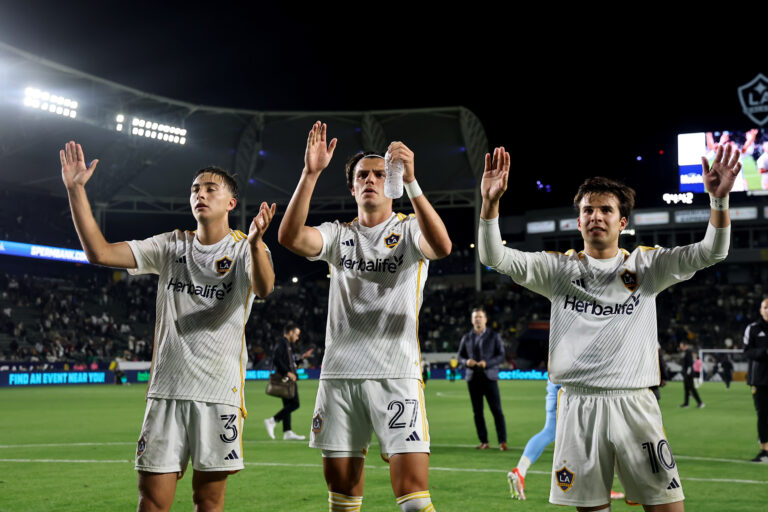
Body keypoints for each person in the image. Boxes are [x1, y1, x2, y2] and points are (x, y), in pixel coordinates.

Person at [478, 143, 740, 511]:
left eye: (605, 209)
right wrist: (490, 204)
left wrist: (719, 202)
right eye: (588, 209)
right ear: (578, 220)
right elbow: (493, 256)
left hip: (634, 403)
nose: (596, 216)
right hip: (579, 406)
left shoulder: (648, 266)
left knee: (668, 507)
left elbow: (712, 251)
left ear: (622, 222)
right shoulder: (557, 270)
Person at [60, 140, 276, 512]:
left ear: (230, 203)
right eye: (195, 189)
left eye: (211, 189)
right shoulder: (170, 245)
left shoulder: (245, 248)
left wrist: (257, 244)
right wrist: (75, 189)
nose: (200, 195)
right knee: (152, 502)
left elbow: (265, 287)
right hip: (166, 391)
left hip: (219, 393)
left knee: (208, 502)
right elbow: (98, 252)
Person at [278, 121, 451, 512]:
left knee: (413, 500)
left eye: (378, 174)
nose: (370, 180)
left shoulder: (408, 230)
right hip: (339, 376)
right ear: (353, 188)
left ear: (390, 183)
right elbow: (289, 237)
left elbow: (441, 246)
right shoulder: (338, 234)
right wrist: (310, 173)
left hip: (395, 374)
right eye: (362, 176)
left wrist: (413, 183)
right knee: (342, 500)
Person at [507, 380, 625, 502]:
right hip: (574, 389)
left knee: (550, 431)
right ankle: (597, 487)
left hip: (556, 385)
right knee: (592, 436)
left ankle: (520, 471)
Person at [457, 307, 507, 450]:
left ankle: (502, 441)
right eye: (475, 317)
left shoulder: (494, 336)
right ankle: (484, 441)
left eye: (480, 316)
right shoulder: (466, 337)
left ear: (485, 319)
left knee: (496, 410)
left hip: (489, 376)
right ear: (472, 320)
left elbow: (501, 355)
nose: (477, 319)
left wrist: (487, 363)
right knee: (477, 412)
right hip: (472, 378)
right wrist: (466, 362)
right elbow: (460, 356)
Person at [264, 322, 308, 441]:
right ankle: (272, 421)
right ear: (290, 332)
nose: (297, 337)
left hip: (289, 378)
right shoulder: (282, 343)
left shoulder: (287, 345)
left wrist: (301, 360)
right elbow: (276, 359)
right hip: (287, 379)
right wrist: (288, 373)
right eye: (297, 334)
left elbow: (290, 363)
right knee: (295, 404)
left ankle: (287, 432)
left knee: (288, 405)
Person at [743, 298, 768, 463]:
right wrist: (764, 352)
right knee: (763, 415)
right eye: (765, 307)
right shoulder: (752, 328)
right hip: (759, 380)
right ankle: (764, 451)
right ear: (760, 310)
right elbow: (746, 351)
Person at [679, 341, 704, 408]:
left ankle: (700, 403)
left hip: (689, 374)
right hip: (687, 374)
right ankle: (686, 403)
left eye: (681, 346)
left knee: (692, 388)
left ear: (684, 345)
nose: (680, 347)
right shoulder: (686, 352)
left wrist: (688, 373)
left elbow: (690, 363)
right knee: (687, 388)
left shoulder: (688, 352)